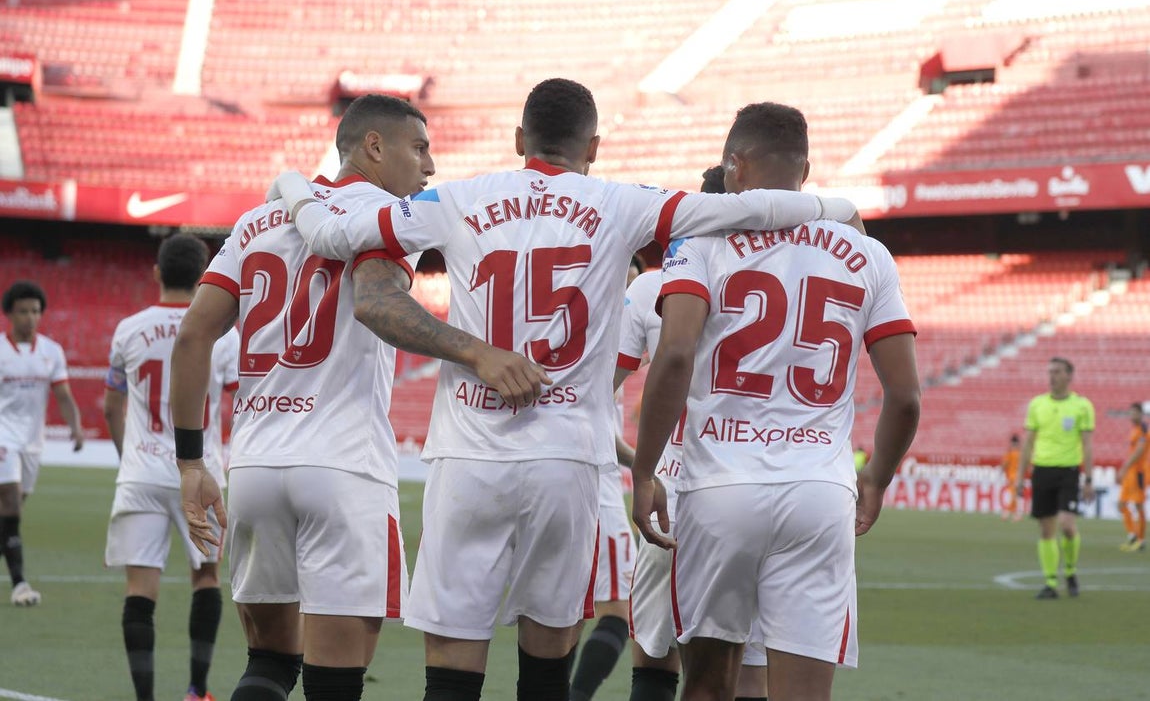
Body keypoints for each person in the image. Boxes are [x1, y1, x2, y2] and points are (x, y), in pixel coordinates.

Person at [283, 78, 862, 701]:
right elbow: (746, 208)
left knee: (451, 666)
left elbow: (333, 237)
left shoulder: (457, 199)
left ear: (518, 139)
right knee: (547, 664)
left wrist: (290, 186)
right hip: (568, 460)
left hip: (470, 457)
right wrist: (837, 208)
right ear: (594, 145)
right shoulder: (621, 202)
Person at [173, 94, 547, 701]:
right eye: (419, 148)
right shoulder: (388, 218)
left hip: (257, 464)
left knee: (267, 666)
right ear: (374, 146)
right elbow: (379, 304)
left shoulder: (255, 222)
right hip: (344, 466)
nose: (430, 166)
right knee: (335, 683)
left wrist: (192, 463)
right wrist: (478, 352)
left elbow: (192, 336)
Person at [631, 102, 920, 701]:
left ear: (733, 165)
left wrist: (642, 471)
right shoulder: (868, 253)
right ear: (805, 170)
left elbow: (677, 354)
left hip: (719, 489)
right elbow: (906, 395)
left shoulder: (702, 240)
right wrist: (877, 480)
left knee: (708, 686)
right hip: (820, 489)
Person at [616, 166, 767, 701]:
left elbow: (598, 397)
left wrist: (640, 465)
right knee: (749, 664)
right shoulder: (791, 273)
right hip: (768, 482)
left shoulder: (658, 283)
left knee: (656, 653)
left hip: (680, 485)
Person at [103, 234, 239, 701]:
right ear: (205, 276)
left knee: (140, 589)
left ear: (157, 272)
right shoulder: (221, 333)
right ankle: (197, 690)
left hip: (142, 473)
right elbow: (235, 405)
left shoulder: (129, 330)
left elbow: (111, 405)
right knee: (206, 577)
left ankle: (145, 697)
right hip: (200, 472)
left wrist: (130, 459)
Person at [568, 254, 645, 701]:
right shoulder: (604, 338)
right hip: (595, 482)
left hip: (558, 472)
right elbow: (596, 424)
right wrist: (646, 465)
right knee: (618, 609)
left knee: (564, 610)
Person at [0, 280, 84, 606]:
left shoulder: (51, 351)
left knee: (12, 511)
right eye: (23, 311)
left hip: (33, 442)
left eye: (35, 311)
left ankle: (14, 568)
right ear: (9, 314)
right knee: (9, 502)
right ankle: (20, 585)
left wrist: (76, 427)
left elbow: (63, 395)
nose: (30, 318)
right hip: (3, 436)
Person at [1015, 357, 1095, 599]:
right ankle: (1050, 583)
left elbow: (1088, 445)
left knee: (1067, 525)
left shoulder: (1082, 406)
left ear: (1069, 376)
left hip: (1069, 472)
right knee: (1046, 529)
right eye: (1050, 372)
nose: (1052, 376)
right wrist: (1020, 476)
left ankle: (1070, 571)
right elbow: (1028, 443)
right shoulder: (1037, 404)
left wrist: (1089, 479)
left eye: (1058, 372)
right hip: (1042, 471)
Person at [1115, 403, 1146, 551]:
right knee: (1121, 504)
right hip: (1130, 472)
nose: (1132, 415)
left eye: (1135, 413)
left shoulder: (1144, 429)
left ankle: (1140, 540)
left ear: (1141, 414)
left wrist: (1124, 467)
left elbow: (1140, 451)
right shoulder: (1134, 429)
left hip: (1140, 472)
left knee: (1138, 504)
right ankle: (1132, 537)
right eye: (1130, 413)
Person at [1000, 434, 1023, 521]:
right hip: (1020, 477)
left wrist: (1001, 471)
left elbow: (1005, 464)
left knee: (1013, 496)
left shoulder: (1010, 453)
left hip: (1012, 477)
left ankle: (1008, 513)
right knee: (1017, 496)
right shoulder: (1021, 453)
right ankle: (1016, 514)